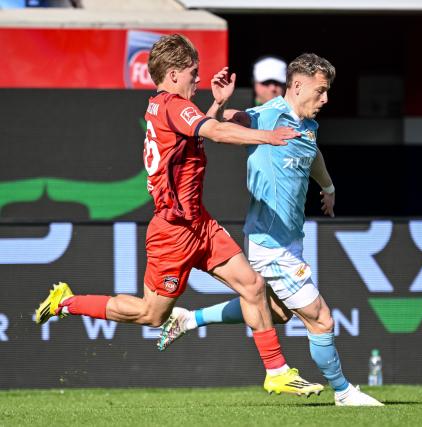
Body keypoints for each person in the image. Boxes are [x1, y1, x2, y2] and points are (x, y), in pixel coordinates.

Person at [34, 34, 323, 397]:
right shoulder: (171, 105)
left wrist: (216, 104)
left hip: (199, 223)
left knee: (252, 285)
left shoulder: (166, 106)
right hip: (172, 232)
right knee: (151, 315)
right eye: (192, 73)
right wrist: (267, 136)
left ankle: (277, 372)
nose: (197, 79)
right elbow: (214, 131)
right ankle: (67, 301)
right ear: (172, 74)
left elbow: (201, 128)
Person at [156, 53, 384, 406]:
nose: (325, 99)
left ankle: (190, 318)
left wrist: (328, 187)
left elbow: (313, 154)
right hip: (270, 241)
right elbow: (215, 128)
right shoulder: (265, 116)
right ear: (297, 85)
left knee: (275, 311)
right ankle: (344, 392)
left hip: (291, 239)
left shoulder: (308, 124)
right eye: (320, 91)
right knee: (321, 319)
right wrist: (222, 107)